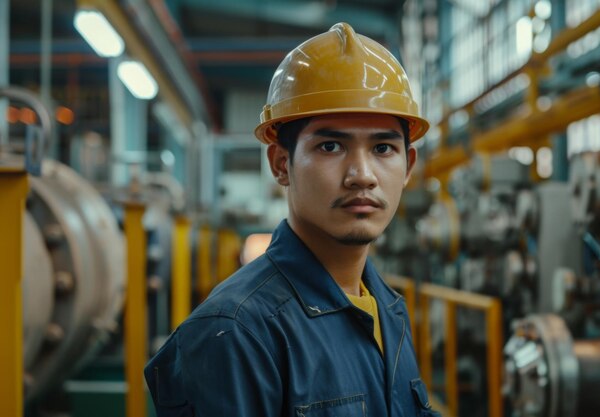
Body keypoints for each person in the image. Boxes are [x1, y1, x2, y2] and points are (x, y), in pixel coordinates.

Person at [145, 22, 439, 417]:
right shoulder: (235, 333)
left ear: (408, 166)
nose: (362, 175)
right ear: (281, 164)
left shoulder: (386, 309)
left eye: (383, 147)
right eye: (331, 145)